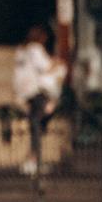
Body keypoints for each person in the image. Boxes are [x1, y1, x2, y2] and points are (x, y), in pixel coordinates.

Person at [12, 24, 66, 177]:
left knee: (36, 122)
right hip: (35, 90)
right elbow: (45, 67)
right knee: (39, 122)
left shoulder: (21, 50)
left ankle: (33, 158)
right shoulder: (35, 49)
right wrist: (58, 63)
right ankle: (33, 159)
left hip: (23, 90)